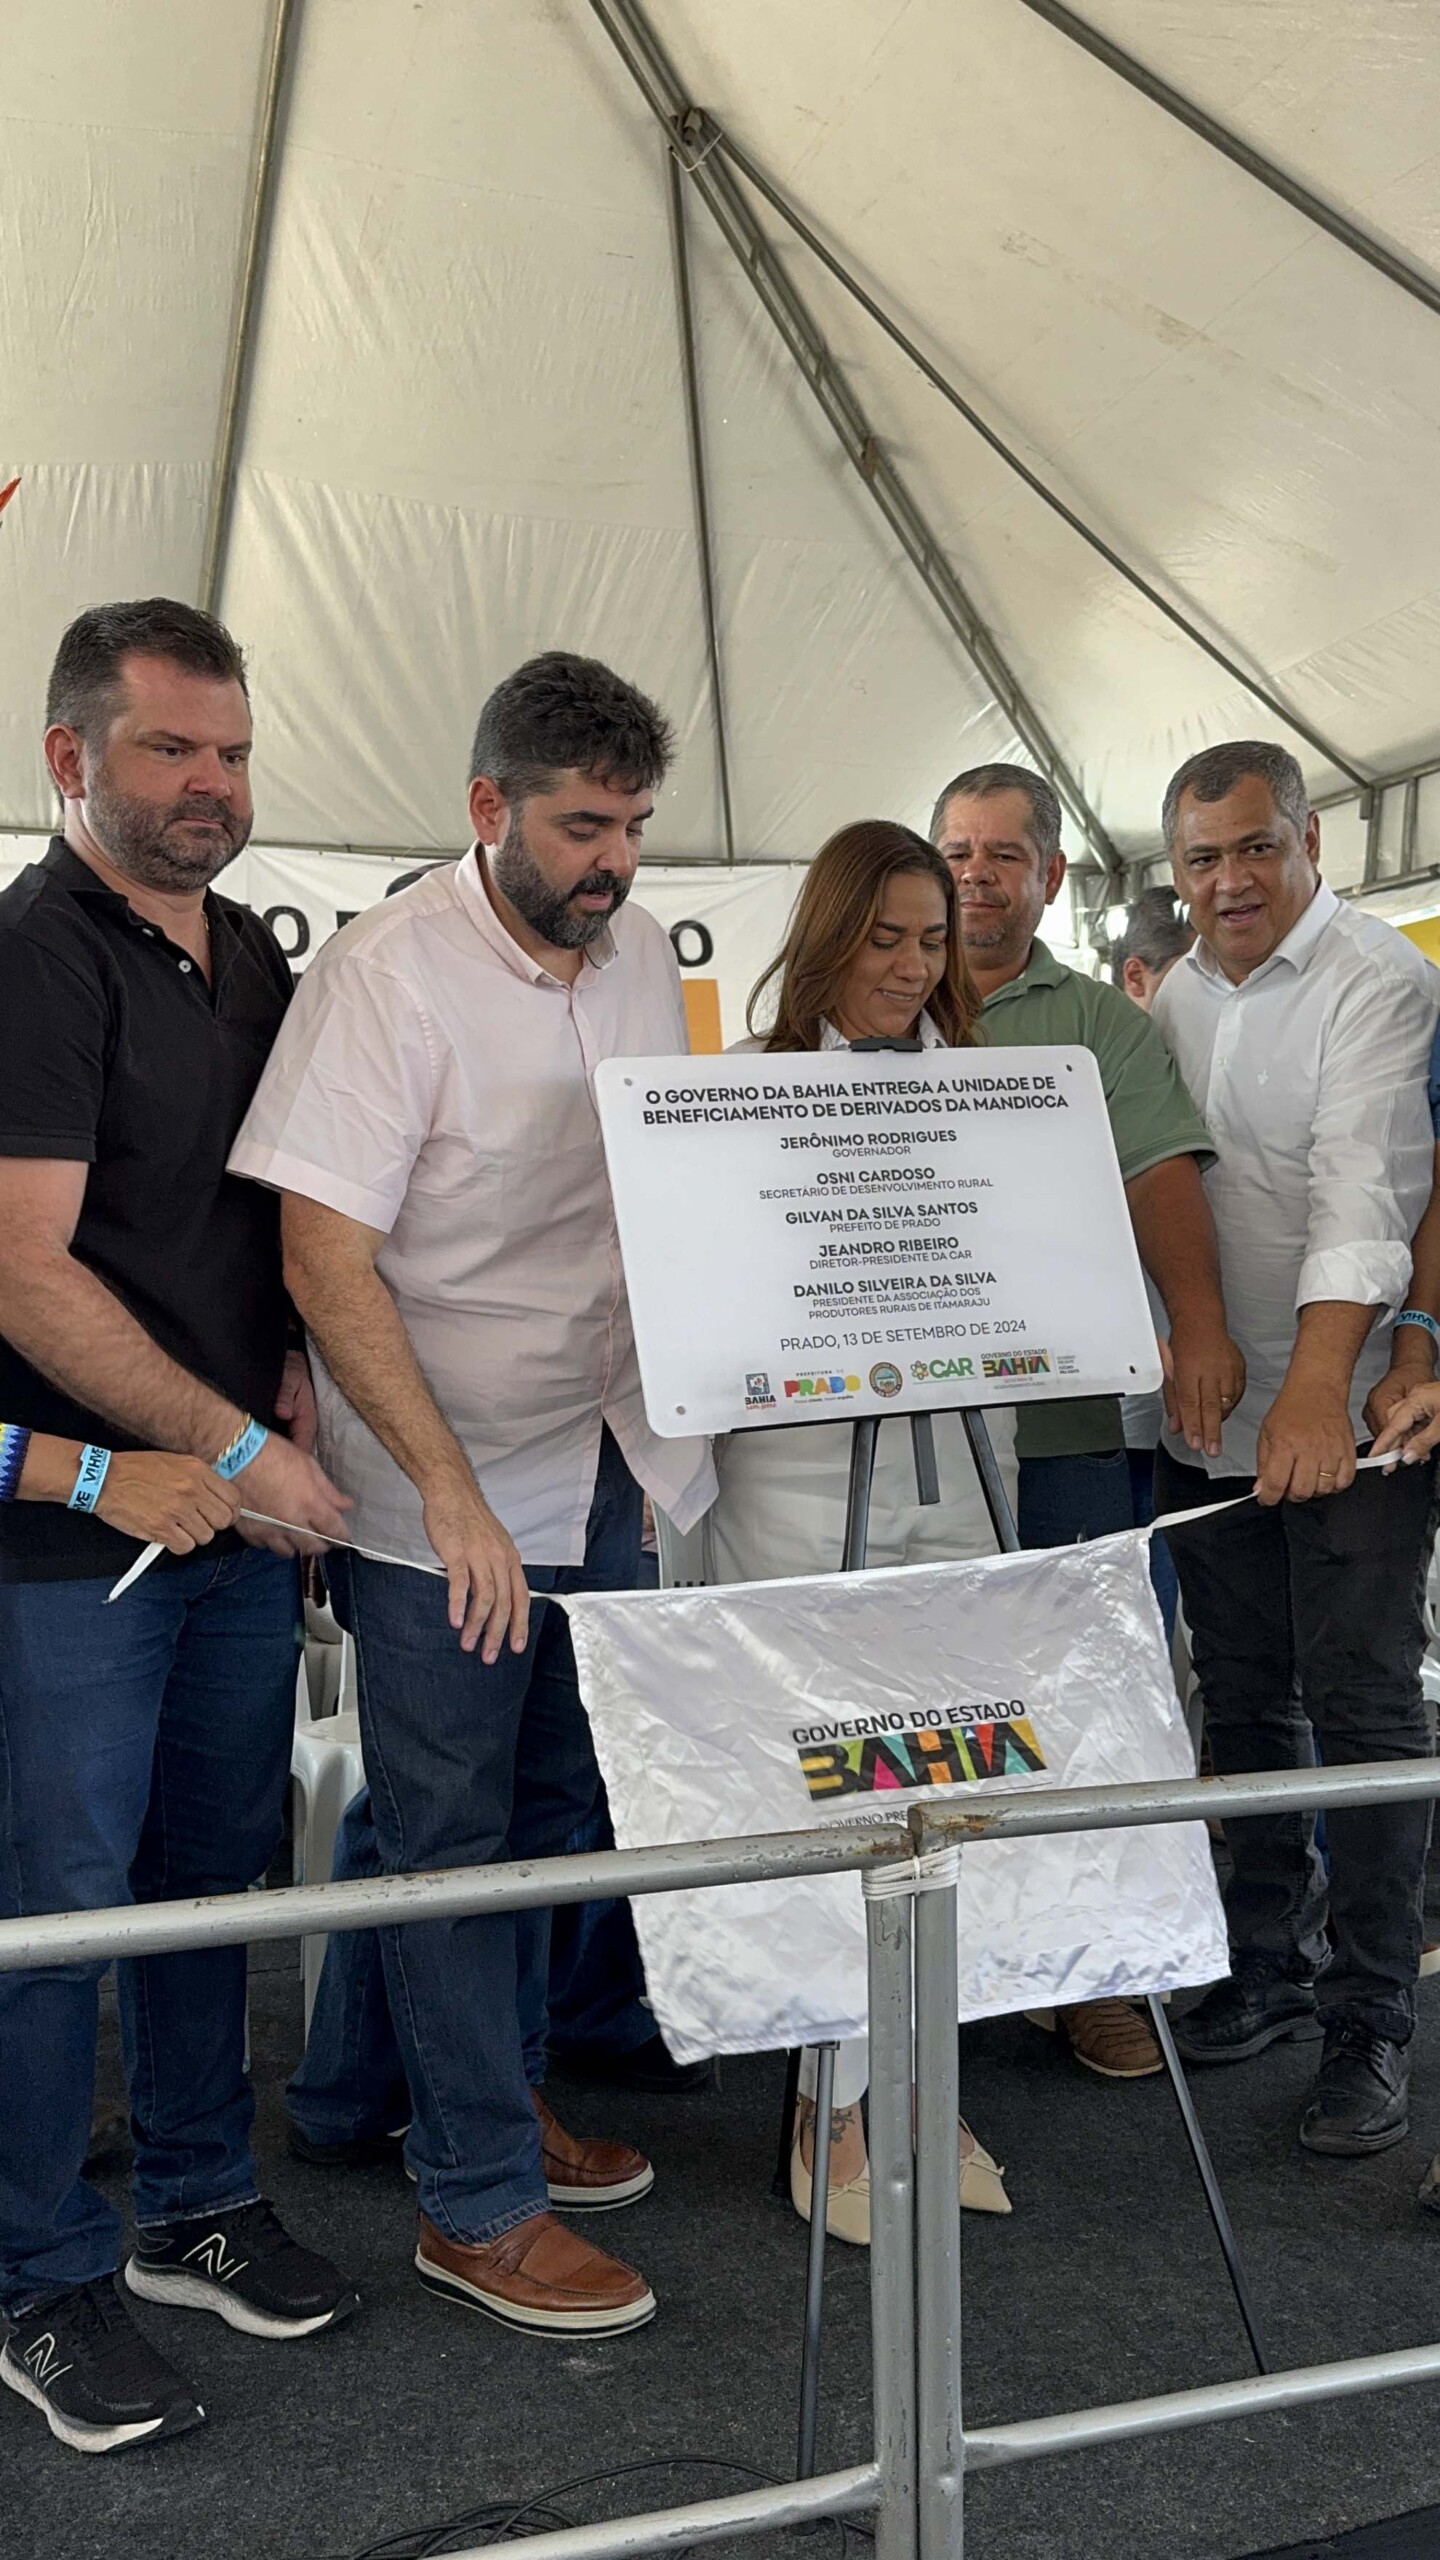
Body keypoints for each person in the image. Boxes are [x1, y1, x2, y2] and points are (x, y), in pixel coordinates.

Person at [230, 652, 715, 2338]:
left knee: (562, 1805)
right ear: (489, 806)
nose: (616, 864)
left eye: (636, 828)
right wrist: (445, 1492)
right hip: (436, 1477)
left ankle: (444, 2095)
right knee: (450, 1837)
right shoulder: (386, 976)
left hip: (606, 1453)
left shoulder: (638, 954)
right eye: (585, 828)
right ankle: (479, 2202)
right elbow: (322, 1256)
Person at [0, 600, 356, 2460]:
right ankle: (36, 2275)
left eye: (230, 751)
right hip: (75, 1532)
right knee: (57, 1911)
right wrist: (226, 1439)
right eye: (169, 749)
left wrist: (287, 1369)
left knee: (211, 1881)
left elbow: (253, 1213)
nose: (212, 784)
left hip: (224, 1511)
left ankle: (196, 2203)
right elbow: (23, 1269)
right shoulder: (36, 958)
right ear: (71, 758)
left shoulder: (249, 954)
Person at [705, 820, 1012, 2241]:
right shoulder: (741, 1094)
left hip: (965, 1484)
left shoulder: (997, 1097)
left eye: (931, 940)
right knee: (829, 1799)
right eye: (882, 937)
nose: (908, 966)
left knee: (951, 1784)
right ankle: (829, 2101)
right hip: (795, 1486)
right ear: (827, 935)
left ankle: (924, 2083)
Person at [1149, 740, 1439, 2159]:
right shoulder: (1172, 998)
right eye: (1203, 858)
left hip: (1356, 1417)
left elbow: (1362, 1190)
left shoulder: (1375, 977)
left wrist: (1321, 1389)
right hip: (1208, 1415)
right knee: (1246, 1698)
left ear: (1311, 840)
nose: (1231, 880)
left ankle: (1370, 2020)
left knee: (1366, 1709)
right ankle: (1265, 1964)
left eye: (1254, 847)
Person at [932, 763, 1242, 2083]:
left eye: (1004, 855)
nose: (977, 877)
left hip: (1060, 1428)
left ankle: (1092, 1974)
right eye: (957, 851)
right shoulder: (875, 993)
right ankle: (925, 1981)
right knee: (927, 1702)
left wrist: (1201, 1326)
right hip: (897, 1441)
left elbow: (1161, 1175)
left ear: (1052, 876)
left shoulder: (1099, 1023)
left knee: (1083, 1703)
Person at [1108, 887, 1198, 1636]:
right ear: (1135, 977)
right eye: (1188, 976)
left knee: (1162, 1620)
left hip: (1186, 1408)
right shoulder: (1092, 1066)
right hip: (1114, 1416)